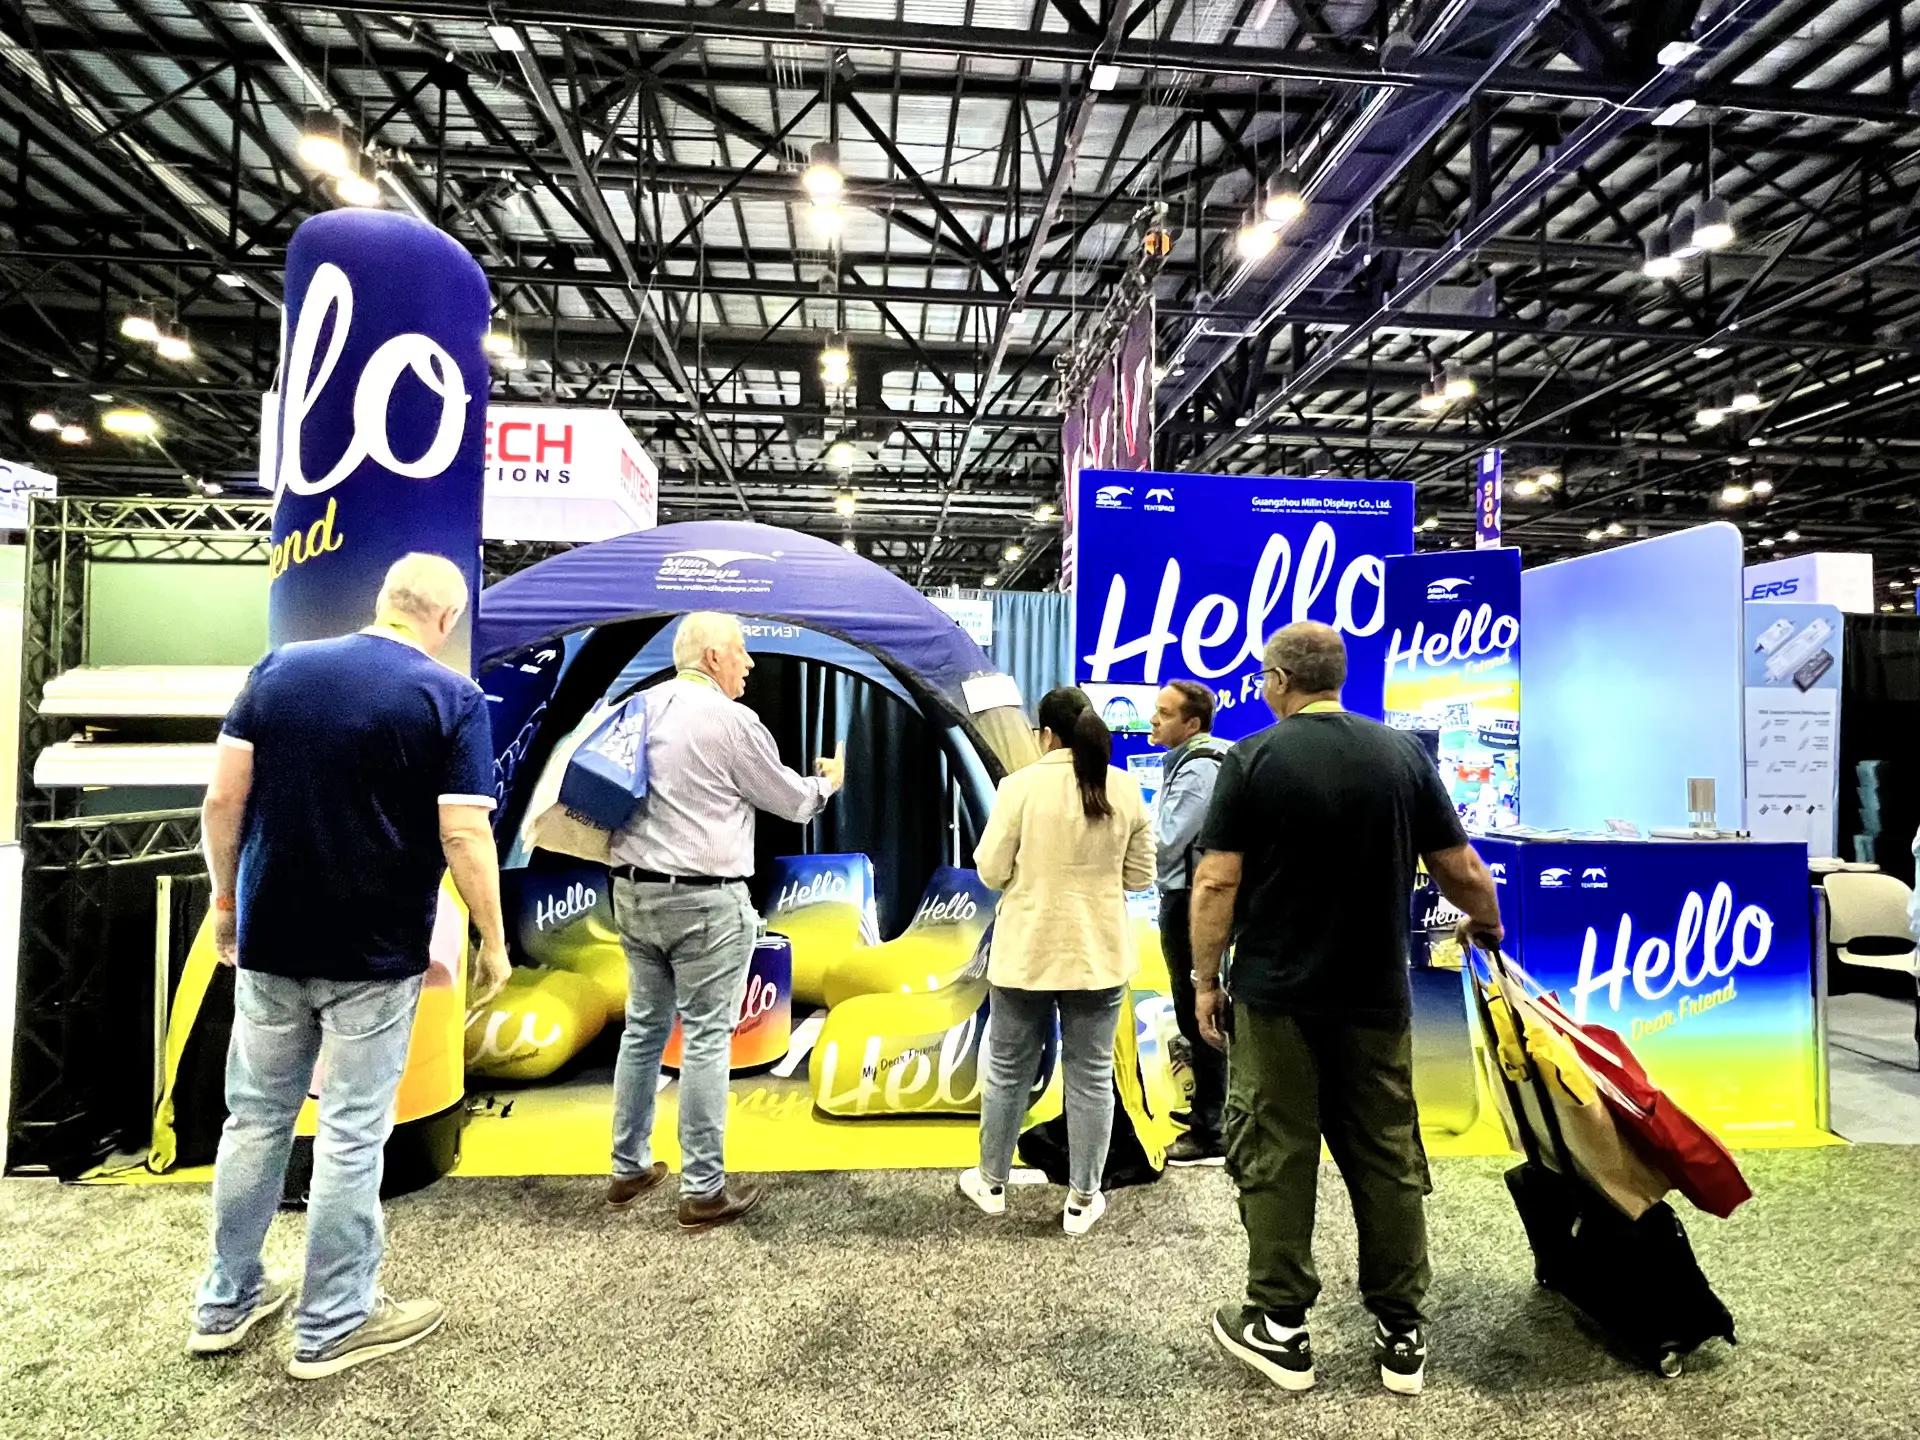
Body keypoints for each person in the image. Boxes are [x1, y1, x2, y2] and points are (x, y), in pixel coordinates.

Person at [189, 553, 511, 1380]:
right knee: (352, 1132)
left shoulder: (279, 669)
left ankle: (225, 1301)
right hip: (375, 950)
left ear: (384, 600)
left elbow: (222, 799)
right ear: (446, 618)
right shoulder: (450, 698)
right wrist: (493, 938)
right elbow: (463, 833)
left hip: (270, 938)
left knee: (254, 1120)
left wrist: (225, 902)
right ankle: (334, 1320)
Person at [1190, 622, 1502, 1397]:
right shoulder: (1402, 755)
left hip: (1277, 996)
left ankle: (1281, 1326)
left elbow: (1217, 882)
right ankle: (1402, 1333)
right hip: (1375, 994)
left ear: (1277, 680)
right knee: (1387, 1153)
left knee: (1276, 1150)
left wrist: (1204, 979)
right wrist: (1488, 922)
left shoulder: (1252, 758)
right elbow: (1459, 864)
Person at [605, 611, 844, 1230]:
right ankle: (703, 1190)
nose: (750, 662)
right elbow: (791, 802)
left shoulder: (635, 708)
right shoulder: (732, 721)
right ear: (712, 656)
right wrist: (827, 785)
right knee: (708, 1038)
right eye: (741, 650)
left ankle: (628, 1168)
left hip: (631, 893)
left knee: (643, 1032)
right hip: (706, 903)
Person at [961, 686, 1154, 1236]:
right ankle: (1082, 1199)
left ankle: (991, 1183)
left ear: (1045, 734)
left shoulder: (1019, 787)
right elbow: (1140, 877)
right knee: (1091, 1077)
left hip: (1026, 952)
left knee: (1008, 1070)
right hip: (1099, 956)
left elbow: (990, 871)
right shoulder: (1125, 788)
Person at [1147, 680, 1232, 1167]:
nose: (1153, 720)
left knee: (1200, 1011)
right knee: (1193, 1010)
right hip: (1187, 896)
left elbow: (1167, 840)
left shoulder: (1199, 768)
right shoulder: (1191, 761)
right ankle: (1209, 1109)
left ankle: (1213, 1126)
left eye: (1164, 713)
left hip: (1191, 900)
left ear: (1192, 723)